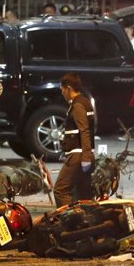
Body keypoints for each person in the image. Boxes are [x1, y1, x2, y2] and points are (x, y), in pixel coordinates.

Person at [53, 73, 95, 207]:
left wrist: (86, 157)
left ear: (68, 88)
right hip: (83, 155)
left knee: (60, 190)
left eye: (62, 90)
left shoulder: (77, 106)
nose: (62, 93)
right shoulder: (86, 102)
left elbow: (84, 131)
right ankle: (90, 221)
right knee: (83, 194)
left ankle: (68, 220)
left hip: (78, 156)